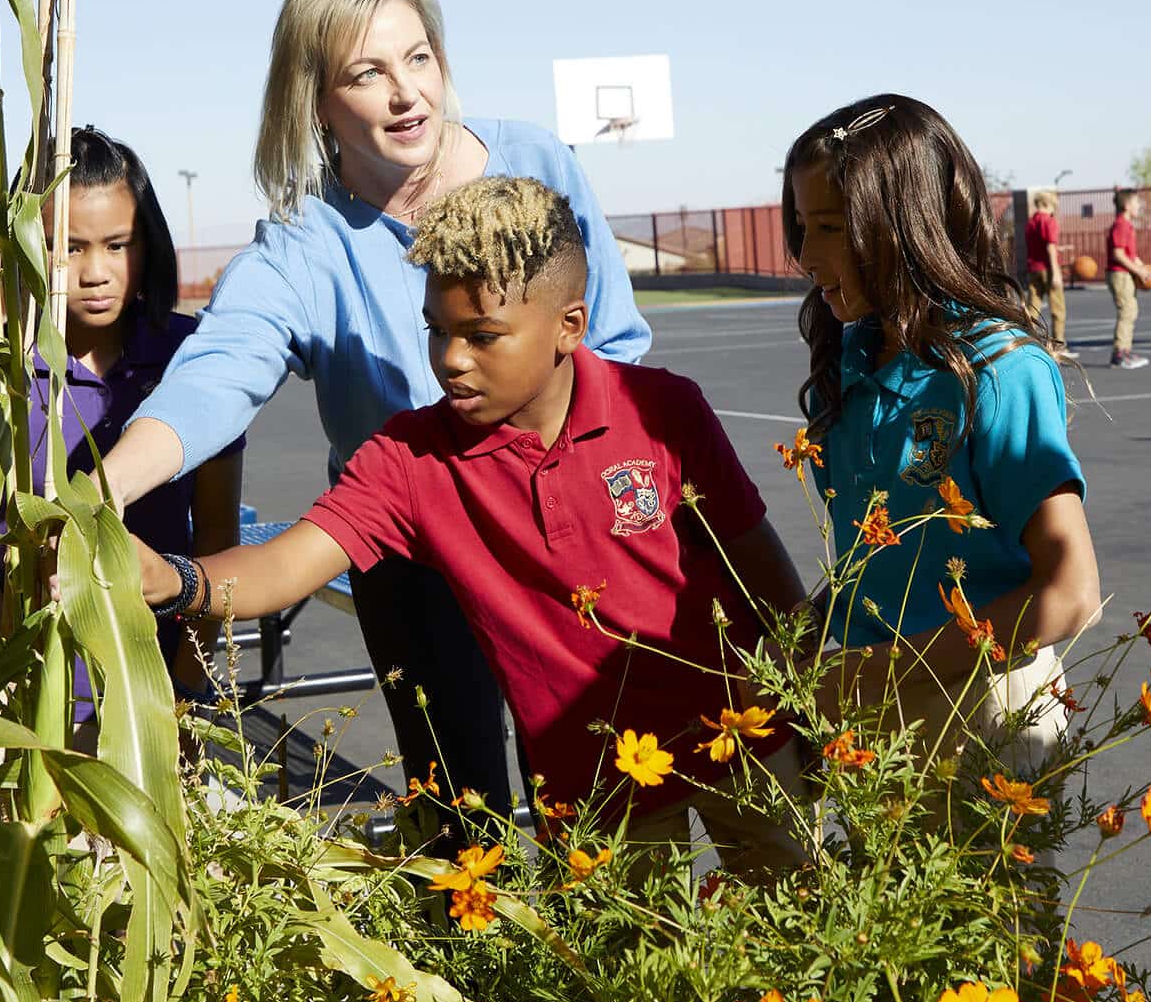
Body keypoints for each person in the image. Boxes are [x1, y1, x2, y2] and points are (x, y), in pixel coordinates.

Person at [91, 0, 652, 824]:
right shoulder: (306, 242)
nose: (407, 94)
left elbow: (614, 344)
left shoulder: (538, 161)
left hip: (567, 534)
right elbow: (219, 371)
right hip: (414, 556)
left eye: (419, 58)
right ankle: (478, 957)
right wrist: (108, 487)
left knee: (611, 796)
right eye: (369, 72)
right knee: (465, 823)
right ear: (316, 100)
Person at [131, 176, 811, 873]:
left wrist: (811, 694)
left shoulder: (664, 409)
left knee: (798, 942)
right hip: (594, 795)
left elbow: (754, 556)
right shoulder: (411, 459)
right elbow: (285, 564)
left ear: (568, 326)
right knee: (623, 978)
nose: (450, 358)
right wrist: (172, 578)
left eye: (482, 336)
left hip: (745, 741)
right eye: (437, 329)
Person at [782, 96, 1102, 773]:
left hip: (984, 705)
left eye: (831, 227)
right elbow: (883, 554)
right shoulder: (855, 359)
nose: (807, 256)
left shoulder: (998, 369)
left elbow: (1072, 592)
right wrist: (808, 638)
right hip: (877, 706)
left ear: (904, 227)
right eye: (802, 226)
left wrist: (885, 670)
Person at [0, 127, 243, 736]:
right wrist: (20, 685)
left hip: (157, 688)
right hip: (27, 696)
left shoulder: (192, 363)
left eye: (117, 245)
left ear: (147, 245)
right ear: (25, 246)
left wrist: (184, 681)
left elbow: (217, 536)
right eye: (68, 247)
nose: (96, 271)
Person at [1022, 189, 1069, 354]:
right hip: (1047, 268)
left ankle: (1027, 341)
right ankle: (1058, 346)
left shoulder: (1030, 223)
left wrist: (1058, 248)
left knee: (1032, 308)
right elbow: (1049, 248)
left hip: (1033, 269)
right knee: (1058, 308)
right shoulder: (1049, 221)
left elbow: (1039, 246)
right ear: (1048, 203)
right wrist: (1056, 273)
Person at [1106, 188, 1149, 369]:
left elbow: (1130, 255)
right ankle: (1119, 353)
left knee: (1131, 311)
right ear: (1126, 205)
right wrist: (1138, 271)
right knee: (1126, 311)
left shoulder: (1127, 225)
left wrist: (1142, 267)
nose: (1139, 205)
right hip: (1120, 274)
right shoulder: (1121, 225)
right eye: (1136, 202)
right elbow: (1118, 254)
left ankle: (1126, 350)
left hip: (1125, 273)